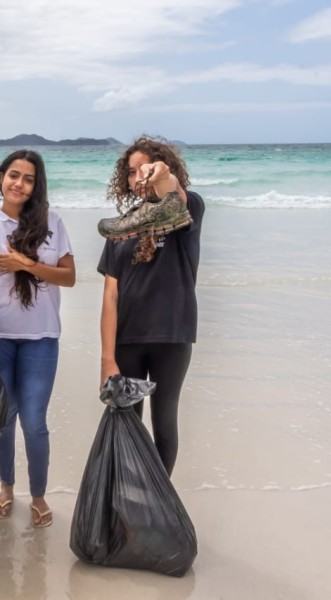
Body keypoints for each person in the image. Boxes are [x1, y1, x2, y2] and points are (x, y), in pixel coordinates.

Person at [0, 150, 75, 528]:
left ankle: (39, 494)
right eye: (13, 175)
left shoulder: (53, 223)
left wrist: (25, 264)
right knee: (5, 418)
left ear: (35, 185)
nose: (19, 184)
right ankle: (7, 487)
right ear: (1, 179)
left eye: (27, 178)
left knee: (35, 422)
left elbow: (68, 277)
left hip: (41, 337)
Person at [97, 136, 205, 475]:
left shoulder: (188, 211)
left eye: (143, 168)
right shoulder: (123, 228)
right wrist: (107, 358)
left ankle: (157, 506)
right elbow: (110, 296)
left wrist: (161, 176)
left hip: (172, 335)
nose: (137, 177)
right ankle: (131, 498)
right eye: (131, 172)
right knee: (127, 423)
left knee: (164, 422)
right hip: (128, 338)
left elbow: (174, 190)